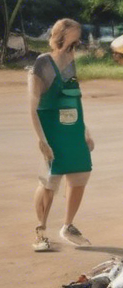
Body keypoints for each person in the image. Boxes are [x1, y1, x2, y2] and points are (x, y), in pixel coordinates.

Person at [29, 18, 93, 251]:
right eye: (74, 38)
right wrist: (41, 139)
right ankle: (40, 231)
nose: (77, 43)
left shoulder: (70, 61)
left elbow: (75, 98)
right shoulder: (42, 63)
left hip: (73, 128)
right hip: (52, 128)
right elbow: (33, 104)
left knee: (80, 175)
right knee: (50, 181)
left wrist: (85, 131)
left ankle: (67, 226)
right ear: (60, 35)